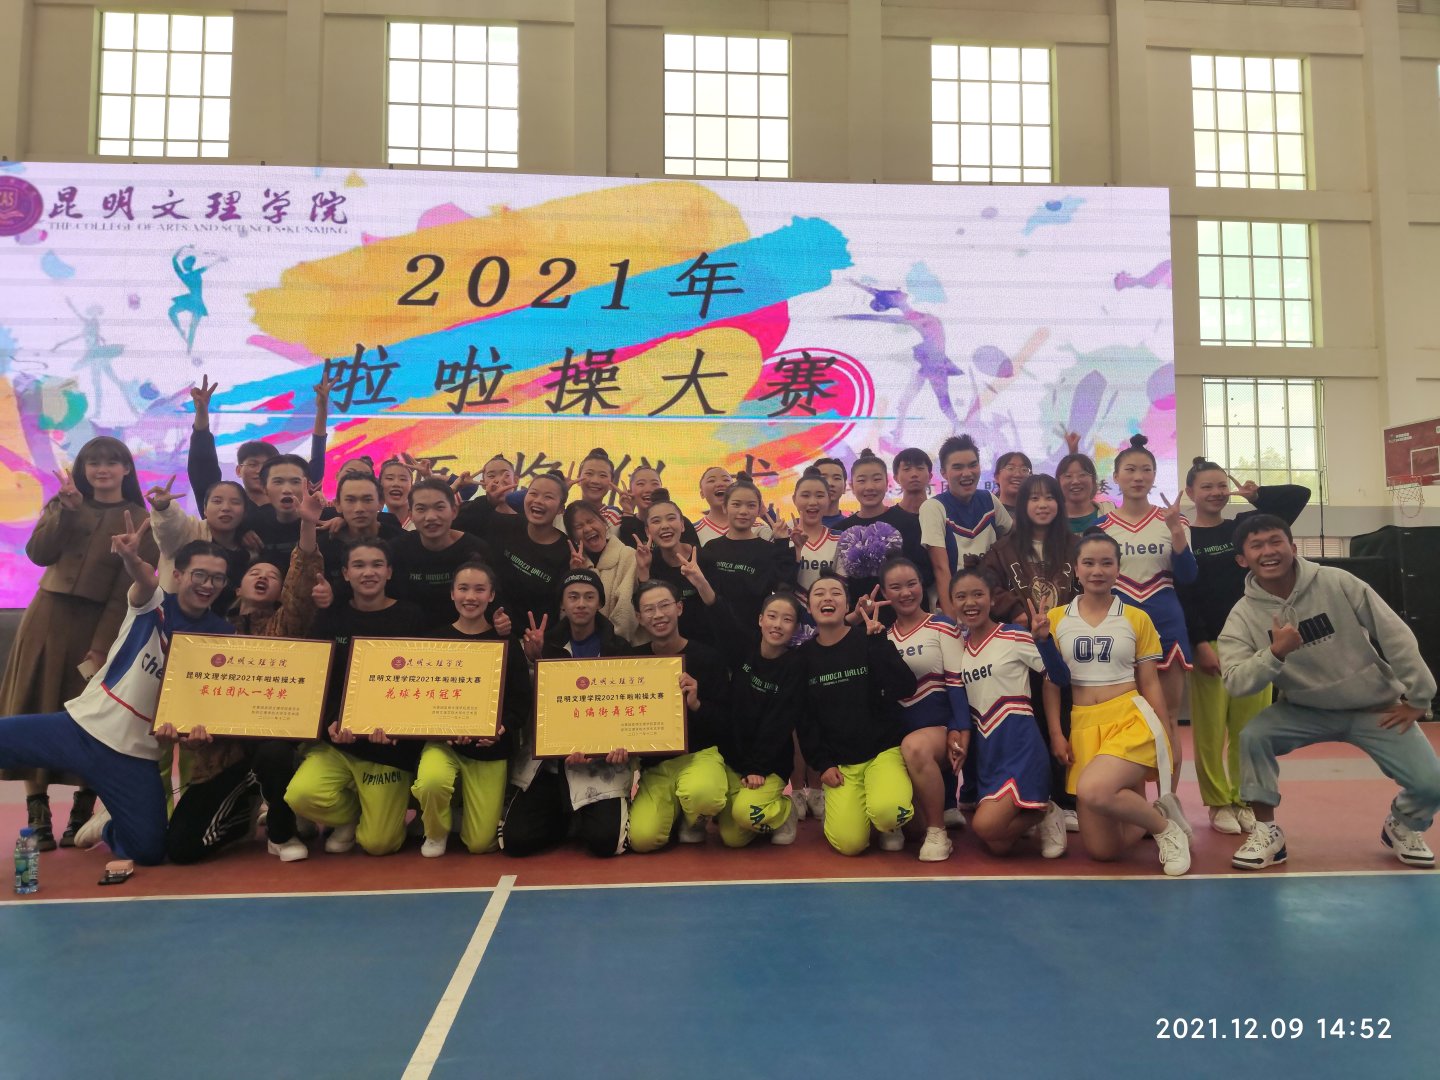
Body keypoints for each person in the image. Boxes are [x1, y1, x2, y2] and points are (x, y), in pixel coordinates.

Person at [0, 519, 233, 865]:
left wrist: (192, 735)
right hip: (81, 729)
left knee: (148, 852)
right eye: (199, 574)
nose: (208, 585)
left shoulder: (223, 637)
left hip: (134, 755)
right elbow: (144, 580)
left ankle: (108, 827)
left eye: (217, 578)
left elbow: (205, 700)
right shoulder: (154, 603)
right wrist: (131, 559)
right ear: (179, 575)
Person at [1219, 515, 1440, 871]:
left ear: (1293, 547)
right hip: (1305, 709)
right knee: (1254, 736)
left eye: (1276, 541)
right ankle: (1266, 831)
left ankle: (1404, 823)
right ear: (1242, 560)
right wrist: (1275, 653)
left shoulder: (1337, 582)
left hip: (1374, 708)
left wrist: (1419, 698)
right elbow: (1235, 681)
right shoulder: (1243, 615)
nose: (1268, 551)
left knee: (1432, 785)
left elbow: (1394, 635)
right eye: (1256, 546)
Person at [158, 483, 326, 863]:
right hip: (224, 758)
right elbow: (192, 697)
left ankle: (281, 830)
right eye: (255, 573)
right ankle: (241, 817)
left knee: (274, 753)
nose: (263, 577)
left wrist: (307, 526)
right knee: (182, 850)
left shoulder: (286, 625)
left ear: (282, 590)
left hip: (273, 749)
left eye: (273, 575)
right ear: (237, 588)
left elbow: (302, 583)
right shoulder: (212, 634)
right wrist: (191, 734)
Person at [2, 436, 155, 850]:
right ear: (83, 469)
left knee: (92, 716)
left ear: (127, 468)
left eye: (111, 462)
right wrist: (66, 512)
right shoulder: (64, 504)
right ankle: (37, 812)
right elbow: (38, 553)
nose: (102, 469)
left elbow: (126, 589)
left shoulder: (141, 518)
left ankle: (81, 811)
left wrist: (103, 645)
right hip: (46, 618)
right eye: (93, 462)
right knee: (36, 705)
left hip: (99, 626)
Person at [1042, 530, 1191, 876]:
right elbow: (1051, 684)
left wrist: (1165, 732)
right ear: (1076, 569)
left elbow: (1149, 681)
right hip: (1083, 724)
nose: (1097, 570)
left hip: (1129, 719)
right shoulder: (1055, 619)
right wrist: (1056, 734)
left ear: (1118, 569)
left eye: (1106, 563)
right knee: (1103, 851)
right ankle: (1156, 811)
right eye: (1089, 563)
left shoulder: (1136, 618)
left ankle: (1166, 831)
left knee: (1094, 789)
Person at [1181, 459, 1310, 834]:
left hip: (1254, 642)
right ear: (1190, 492)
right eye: (1207, 487)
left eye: (1222, 485)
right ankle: (1218, 802)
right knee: (1210, 731)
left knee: (1250, 728)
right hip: (1209, 643)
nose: (1216, 493)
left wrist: (1258, 496)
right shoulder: (1183, 535)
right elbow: (1185, 593)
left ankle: (1244, 799)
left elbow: (1297, 498)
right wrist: (1199, 643)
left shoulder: (1242, 527)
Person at [286, 539, 430, 856]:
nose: (368, 572)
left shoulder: (411, 616)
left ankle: (369, 813)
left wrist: (398, 727)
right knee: (300, 796)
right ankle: (349, 816)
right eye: (359, 565)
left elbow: (421, 682)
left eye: (377, 565)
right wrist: (330, 723)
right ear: (345, 573)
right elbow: (316, 680)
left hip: (388, 748)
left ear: (389, 572)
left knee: (379, 845)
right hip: (339, 742)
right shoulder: (330, 618)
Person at [1096, 434, 1195, 824]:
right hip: (1118, 626)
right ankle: (1135, 805)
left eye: (1146, 470)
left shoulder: (1175, 521)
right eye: (1130, 470)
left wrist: (1176, 533)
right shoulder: (1102, 527)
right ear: (1116, 477)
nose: (1138, 477)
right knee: (1125, 719)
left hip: (1167, 624)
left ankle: (1170, 802)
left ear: (1155, 476)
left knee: (1167, 718)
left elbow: (1189, 577)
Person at [502, 568, 634, 857]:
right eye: (573, 597)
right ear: (562, 603)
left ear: (600, 603)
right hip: (549, 764)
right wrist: (533, 659)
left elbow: (626, 709)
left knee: (604, 843)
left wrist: (619, 746)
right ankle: (567, 818)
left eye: (589, 597)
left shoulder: (618, 648)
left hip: (599, 763)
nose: (581, 604)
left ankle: (586, 817)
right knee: (516, 842)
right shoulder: (543, 645)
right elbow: (524, 700)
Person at [979, 472, 1081, 829]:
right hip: (1022, 649)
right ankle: (1037, 800)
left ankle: (1068, 800)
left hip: (1069, 646)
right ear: (1022, 505)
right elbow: (988, 586)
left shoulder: (1075, 544)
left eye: (1049, 498)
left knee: (1067, 720)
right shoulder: (1003, 548)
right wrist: (1015, 611)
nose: (1042, 505)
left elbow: (1092, 581)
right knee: (1033, 721)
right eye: (1034, 498)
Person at [947, 568, 1068, 859]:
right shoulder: (959, 649)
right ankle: (1034, 813)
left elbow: (1059, 677)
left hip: (1020, 745)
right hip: (988, 753)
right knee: (999, 845)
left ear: (992, 599)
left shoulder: (1012, 635)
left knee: (986, 826)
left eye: (978, 594)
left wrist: (1044, 640)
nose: (970, 603)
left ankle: (1047, 811)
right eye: (961, 597)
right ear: (952, 603)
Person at [797, 572, 918, 855]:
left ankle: (888, 821)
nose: (827, 598)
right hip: (842, 766)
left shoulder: (869, 638)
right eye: (819, 594)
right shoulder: (802, 658)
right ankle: (860, 810)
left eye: (836, 593)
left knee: (889, 812)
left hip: (882, 752)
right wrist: (823, 764)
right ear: (809, 608)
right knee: (850, 845)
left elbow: (905, 687)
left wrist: (879, 643)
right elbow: (804, 718)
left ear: (848, 605)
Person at [412, 562, 528, 857]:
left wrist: (500, 728)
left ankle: (459, 814)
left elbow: (520, 701)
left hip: (490, 748)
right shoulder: (434, 641)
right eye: (463, 588)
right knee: (432, 781)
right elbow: (421, 701)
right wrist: (443, 730)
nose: (470, 597)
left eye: (479, 589)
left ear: (491, 595)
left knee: (480, 844)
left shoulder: (505, 642)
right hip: (443, 744)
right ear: (452, 593)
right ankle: (435, 830)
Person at [628, 578, 733, 851]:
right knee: (642, 839)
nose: (658, 615)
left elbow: (727, 722)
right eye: (649, 609)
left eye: (665, 605)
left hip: (700, 756)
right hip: (656, 766)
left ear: (679, 608)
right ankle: (676, 813)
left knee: (703, 794)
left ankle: (695, 817)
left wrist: (697, 704)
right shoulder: (631, 662)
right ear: (639, 617)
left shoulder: (708, 658)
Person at [880, 557, 969, 860]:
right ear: (885, 593)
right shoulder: (884, 636)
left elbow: (957, 683)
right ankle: (939, 812)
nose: (905, 593)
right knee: (908, 830)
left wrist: (959, 728)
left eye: (912, 584)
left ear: (922, 585)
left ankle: (938, 832)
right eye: (896, 587)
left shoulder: (942, 625)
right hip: (900, 737)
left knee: (915, 747)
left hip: (938, 731)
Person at [186, 373, 329, 511]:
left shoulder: (296, 508)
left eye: (266, 466)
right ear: (238, 470)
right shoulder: (226, 512)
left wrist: (322, 410)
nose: (259, 470)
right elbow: (203, 470)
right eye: (252, 464)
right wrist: (201, 414)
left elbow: (317, 461)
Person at [921, 434, 1011, 620]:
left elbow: (1014, 538)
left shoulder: (989, 499)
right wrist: (953, 621)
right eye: (957, 467)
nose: (967, 473)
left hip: (990, 605)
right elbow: (940, 568)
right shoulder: (933, 507)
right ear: (943, 473)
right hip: (953, 607)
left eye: (972, 465)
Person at [698, 473, 797, 634]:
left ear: (758, 510)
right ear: (725, 507)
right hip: (715, 634)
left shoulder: (769, 550)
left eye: (751, 506)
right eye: (736, 505)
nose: (743, 511)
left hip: (755, 635)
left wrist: (782, 543)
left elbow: (784, 587)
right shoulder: (711, 548)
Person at [479, 470, 572, 631]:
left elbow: (559, 606)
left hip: (534, 637)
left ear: (560, 509)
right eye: (533, 493)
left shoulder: (567, 551)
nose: (538, 501)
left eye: (548, 497)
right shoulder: (506, 525)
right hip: (492, 627)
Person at [837, 449, 930, 605]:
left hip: (906, 610)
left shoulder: (910, 522)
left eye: (877, 479)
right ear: (851, 486)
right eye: (861, 481)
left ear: (887, 484)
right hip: (860, 614)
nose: (869, 487)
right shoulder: (841, 530)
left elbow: (925, 573)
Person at [145, 476, 249, 614]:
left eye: (235, 502)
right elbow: (171, 528)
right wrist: (164, 509)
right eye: (217, 501)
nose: (226, 508)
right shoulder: (189, 532)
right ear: (204, 509)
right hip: (177, 621)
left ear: (245, 511)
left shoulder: (250, 548)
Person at [391, 478, 495, 615]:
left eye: (439, 507)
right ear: (410, 515)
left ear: (454, 511)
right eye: (421, 509)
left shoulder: (476, 550)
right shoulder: (397, 550)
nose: (431, 517)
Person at [632, 491, 717, 647]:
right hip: (666, 647)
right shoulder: (649, 560)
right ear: (647, 531)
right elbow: (647, 612)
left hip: (706, 645)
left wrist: (701, 583)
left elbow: (720, 611)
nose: (665, 526)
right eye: (656, 521)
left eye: (671, 518)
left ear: (682, 525)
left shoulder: (705, 557)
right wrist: (643, 570)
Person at [563, 501, 639, 642]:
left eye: (591, 521)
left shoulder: (628, 556)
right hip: (583, 647)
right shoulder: (573, 565)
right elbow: (567, 615)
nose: (587, 529)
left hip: (620, 647)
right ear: (573, 537)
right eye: (579, 526)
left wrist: (608, 646)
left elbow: (625, 610)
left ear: (603, 522)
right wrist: (576, 575)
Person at [790, 467, 842, 600]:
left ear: (829, 499)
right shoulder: (782, 538)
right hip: (790, 611)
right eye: (805, 495)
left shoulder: (840, 540)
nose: (813, 502)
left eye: (819, 496)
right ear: (794, 499)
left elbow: (842, 589)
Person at [694, 465, 772, 545]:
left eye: (726, 480)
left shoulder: (759, 529)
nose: (720, 484)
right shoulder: (693, 531)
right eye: (711, 481)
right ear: (702, 493)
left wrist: (764, 512)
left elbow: (780, 540)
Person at [1057, 434, 1113, 534]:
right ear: (1058, 482)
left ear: (1093, 480)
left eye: (1082, 475)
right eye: (1068, 476)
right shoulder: (1050, 519)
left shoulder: (1110, 512)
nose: (1075, 481)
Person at [574, 448, 624, 529]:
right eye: (589, 473)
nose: (595, 481)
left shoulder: (616, 516)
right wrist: (561, 493)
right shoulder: (567, 515)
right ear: (578, 478)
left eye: (602, 475)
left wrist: (629, 511)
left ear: (611, 483)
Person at [378, 458, 416, 529]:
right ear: (380, 485)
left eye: (403, 479)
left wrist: (429, 476)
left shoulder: (421, 522)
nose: (396, 484)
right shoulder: (375, 525)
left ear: (412, 486)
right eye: (390, 478)